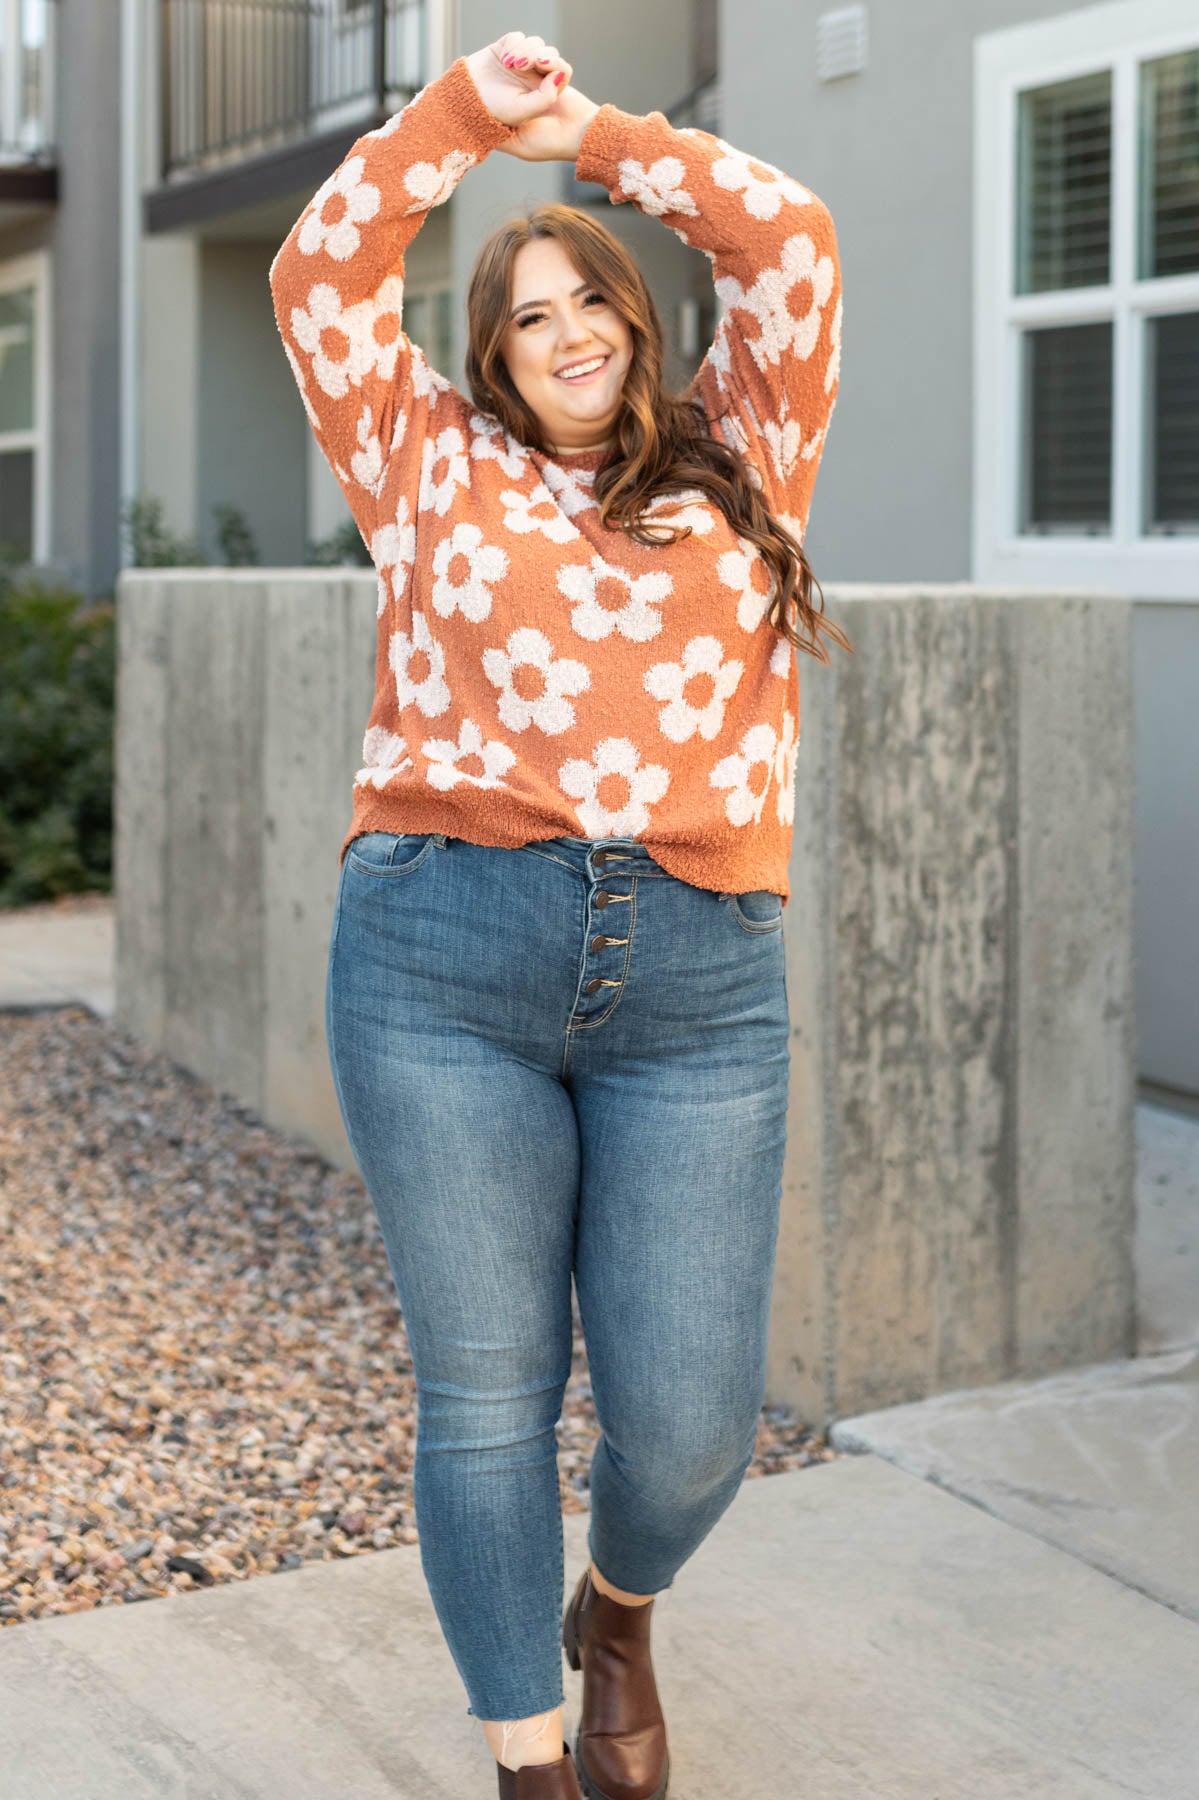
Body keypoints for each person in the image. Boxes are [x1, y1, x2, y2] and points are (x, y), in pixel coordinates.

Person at [269, 26, 845, 1799]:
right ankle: (527, 1753)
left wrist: (586, 135)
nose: (567, 331)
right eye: (525, 314)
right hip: (444, 959)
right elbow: (320, 267)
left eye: (585, 294)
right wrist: (456, 122)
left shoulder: (748, 443)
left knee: (683, 1427)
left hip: (697, 983)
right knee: (490, 1398)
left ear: (634, 313)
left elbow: (792, 238)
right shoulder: (422, 462)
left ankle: (622, 1603)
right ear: (492, 353)